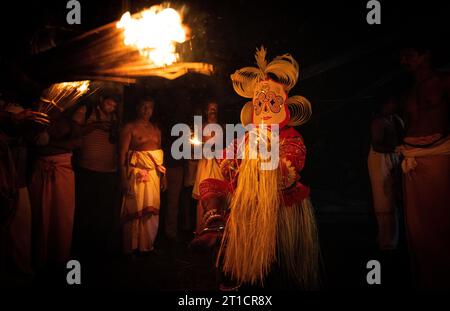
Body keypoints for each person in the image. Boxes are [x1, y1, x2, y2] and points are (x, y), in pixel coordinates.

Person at [191, 47, 320, 290]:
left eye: (272, 101)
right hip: (247, 201)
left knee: (275, 266)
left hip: (277, 205)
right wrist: (228, 158)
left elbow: (289, 169)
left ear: (284, 105)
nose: (266, 106)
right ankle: (216, 223)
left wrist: (266, 161)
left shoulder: (290, 137)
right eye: (260, 102)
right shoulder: (247, 136)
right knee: (210, 184)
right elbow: (228, 159)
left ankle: (268, 272)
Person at [395, 47, 450, 289]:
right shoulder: (406, 94)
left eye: (409, 54)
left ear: (426, 53)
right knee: (417, 228)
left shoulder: (444, 81)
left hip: (440, 156)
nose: (403, 59)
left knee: (442, 219)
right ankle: (427, 279)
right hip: (412, 161)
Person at [28, 101, 81, 269]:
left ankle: (59, 256)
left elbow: (78, 143)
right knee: (40, 212)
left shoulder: (69, 120)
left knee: (62, 215)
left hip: (62, 171)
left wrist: (50, 143)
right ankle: (39, 255)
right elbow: (34, 143)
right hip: (41, 170)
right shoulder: (38, 119)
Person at [71, 93, 120, 260]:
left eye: (114, 106)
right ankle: (83, 246)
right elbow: (75, 131)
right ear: (101, 100)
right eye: (109, 104)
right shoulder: (86, 110)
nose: (111, 108)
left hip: (109, 171)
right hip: (87, 168)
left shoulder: (115, 117)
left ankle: (100, 247)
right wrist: (96, 125)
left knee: (104, 211)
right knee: (86, 209)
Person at [119, 97, 167, 256]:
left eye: (150, 107)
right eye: (144, 107)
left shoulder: (156, 129)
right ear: (138, 108)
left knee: (150, 211)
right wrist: (124, 179)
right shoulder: (130, 128)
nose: (147, 111)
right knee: (134, 210)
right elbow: (122, 155)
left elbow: (159, 155)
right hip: (136, 174)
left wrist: (163, 176)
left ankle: (146, 245)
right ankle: (130, 248)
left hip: (153, 175)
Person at [368, 99, 404, 251]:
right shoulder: (378, 122)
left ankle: (393, 237)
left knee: (395, 194)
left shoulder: (396, 119)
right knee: (383, 197)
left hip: (394, 156)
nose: (394, 104)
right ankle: (386, 241)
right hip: (380, 158)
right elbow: (377, 144)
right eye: (390, 102)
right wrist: (397, 148)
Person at [192, 102, 225, 234]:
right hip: (205, 164)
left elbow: (226, 147)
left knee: (219, 195)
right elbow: (195, 149)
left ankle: (217, 230)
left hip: (218, 164)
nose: (213, 112)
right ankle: (201, 230)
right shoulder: (200, 128)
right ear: (206, 111)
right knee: (203, 196)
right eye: (211, 109)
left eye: (215, 109)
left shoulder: (222, 127)